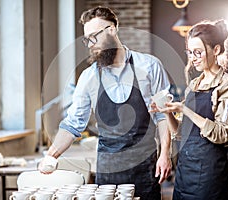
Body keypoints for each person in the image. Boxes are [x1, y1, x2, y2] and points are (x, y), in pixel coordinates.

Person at [38, 6, 172, 199]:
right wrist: (51, 155)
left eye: (94, 36)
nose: (90, 44)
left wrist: (165, 154)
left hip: (145, 168)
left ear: (111, 29)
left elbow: (162, 115)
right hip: (108, 171)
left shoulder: (149, 66)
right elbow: (73, 124)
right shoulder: (88, 77)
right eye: (87, 39)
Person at [150, 19, 228, 200]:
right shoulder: (195, 85)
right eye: (189, 52)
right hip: (185, 172)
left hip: (209, 177)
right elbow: (181, 133)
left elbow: (223, 134)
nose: (193, 58)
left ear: (216, 50)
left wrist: (185, 109)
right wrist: (167, 112)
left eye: (198, 52)